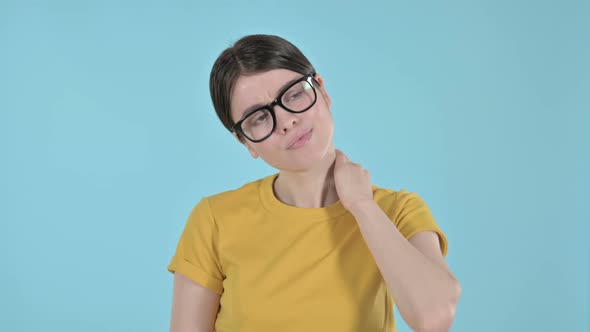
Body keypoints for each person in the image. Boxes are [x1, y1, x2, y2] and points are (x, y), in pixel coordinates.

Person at [167, 34, 461, 332]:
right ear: (246, 143)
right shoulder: (214, 220)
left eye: (293, 95)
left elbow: (434, 319)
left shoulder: (396, 211)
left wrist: (362, 206)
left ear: (322, 90)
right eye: (258, 117)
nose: (285, 121)